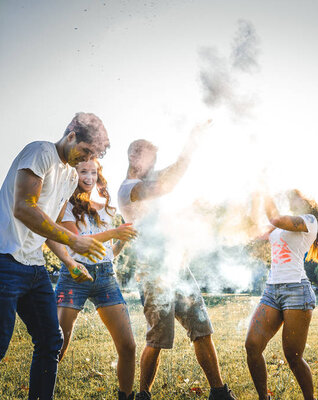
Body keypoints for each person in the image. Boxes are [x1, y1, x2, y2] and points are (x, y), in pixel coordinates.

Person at [0, 112, 110, 400]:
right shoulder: (40, 152)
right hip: (1, 260)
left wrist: (68, 261)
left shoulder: (68, 175)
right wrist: (74, 241)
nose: (87, 159)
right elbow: (24, 209)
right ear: (71, 135)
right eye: (85, 150)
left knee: (51, 341)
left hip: (33, 267)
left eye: (93, 155)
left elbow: (48, 226)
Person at [117, 121, 236, 400]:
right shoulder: (129, 189)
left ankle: (218, 392)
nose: (155, 164)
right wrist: (190, 147)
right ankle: (142, 395)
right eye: (151, 159)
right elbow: (167, 184)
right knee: (158, 338)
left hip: (177, 268)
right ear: (135, 159)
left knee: (202, 329)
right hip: (153, 272)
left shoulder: (146, 184)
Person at [55, 159, 138, 400]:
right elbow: (78, 243)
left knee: (128, 346)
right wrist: (114, 232)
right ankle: (42, 391)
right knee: (57, 344)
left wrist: (123, 237)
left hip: (105, 278)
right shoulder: (66, 206)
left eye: (93, 172)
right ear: (74, 174)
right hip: (75, 276)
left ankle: (126, 396)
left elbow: (110, 249)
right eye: (83, 172)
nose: (88, 177)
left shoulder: (107, 207)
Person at [245, 190, 318, 400]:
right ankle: (263, 398)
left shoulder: (309, 220)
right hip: (272, 290)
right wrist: (256, 198)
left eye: (294, 195)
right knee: (252, 346)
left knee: (293, 357)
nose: (287, 197)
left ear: (305, 201)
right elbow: (256, 230)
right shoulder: (281, 224)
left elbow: (276, 217)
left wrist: (263, 188)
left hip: (297, 291)